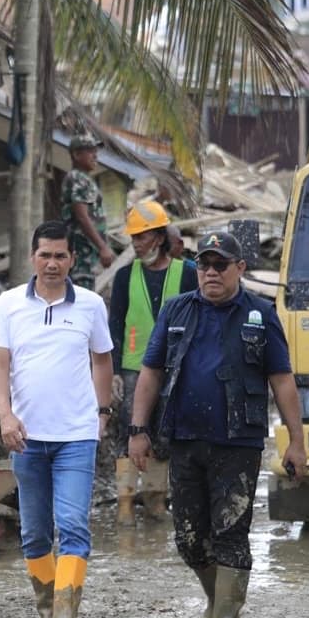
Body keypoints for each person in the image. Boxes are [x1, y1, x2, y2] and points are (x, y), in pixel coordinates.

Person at [128, 231, 306, 618]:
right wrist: (137, 430)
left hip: (238, 443)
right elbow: (149, 373)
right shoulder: (177, 310)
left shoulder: (261, 315)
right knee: (190, 538)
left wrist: (296, 441)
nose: (210, 272)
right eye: (204, 265)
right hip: (185, 440)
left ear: (240, 269)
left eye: (220, 265)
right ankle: (215, 598)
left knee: (231, 533)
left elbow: (282, 380)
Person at [0, 220, 114, 618]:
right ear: (32, 257)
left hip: (77, 435)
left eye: (61, 255)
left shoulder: (92, 305)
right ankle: (45, 608)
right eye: (45, 255)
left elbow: (102, 360)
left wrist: (102, 411)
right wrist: (5, 417)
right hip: (26, 436)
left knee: (74, 525)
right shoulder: (8, 305)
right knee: (36, 532)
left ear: (72, 260)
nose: (53, 263)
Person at [108, 201, 197, 526]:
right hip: (134, 367)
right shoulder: (123, 277)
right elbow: (114, 325)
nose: (136, 244)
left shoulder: (186, 273)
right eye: (134, 238)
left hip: (175, 368)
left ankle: (157, 500)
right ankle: (126, 503)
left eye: (142, 237)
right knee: (130, 430)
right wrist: (115, 370)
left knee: (163, 434)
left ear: (158, 237)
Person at [59, 135, 115, 289]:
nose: (95, 155)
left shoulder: (84, 178)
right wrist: (102, 247)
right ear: (76, 155)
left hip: (88, 253)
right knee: (82, 296)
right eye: (90, 151)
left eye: (96, 151)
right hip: (82, 253)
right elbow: (82, 216)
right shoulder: (77, 178)